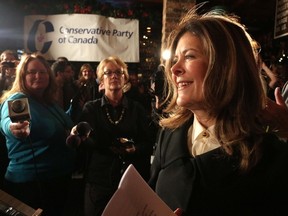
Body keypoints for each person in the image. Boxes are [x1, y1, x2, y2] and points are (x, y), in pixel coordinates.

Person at [148, 6, 288, 216]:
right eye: (175, 59)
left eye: (189, 56)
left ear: (226, 66)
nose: (173, 69)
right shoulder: (169, 134)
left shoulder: (270, 155)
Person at [72, 56, 153, 216]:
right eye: (108, 73)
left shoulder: (137, 109)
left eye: (118, 72)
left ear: (125, 78)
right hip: (99, 181)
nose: (114, 76)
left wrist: (134, 148)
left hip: (130, 181)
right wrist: (80, 135)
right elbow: (87, 142)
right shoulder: (92, 108)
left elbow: (149, 142)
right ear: (101, 80)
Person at [0, 53, 76, 216]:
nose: (38, 76)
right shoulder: (19, 98)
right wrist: (14, 128)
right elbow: (10, 122)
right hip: (31, 187)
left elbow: (63, 124)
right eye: (32, 72)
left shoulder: (48, 102)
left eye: (43, 72)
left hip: (57, 181)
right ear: (22, 75)